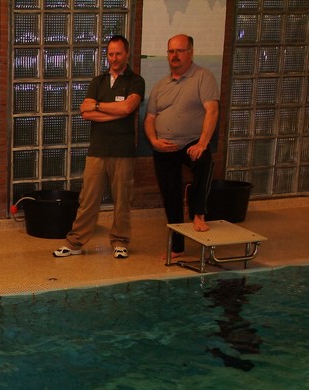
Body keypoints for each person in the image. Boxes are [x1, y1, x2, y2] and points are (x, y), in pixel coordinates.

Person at [53, 35, 145, 260]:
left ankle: (120, 241)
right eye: (110, 54)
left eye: (118, 54)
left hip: (123, 151)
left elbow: (127, 108)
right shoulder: (98, 81)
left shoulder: (136, 81)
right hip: (97, 150)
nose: (114, 58)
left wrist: (98, 107)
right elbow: (85, 113)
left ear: (127, 54)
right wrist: (115, 112)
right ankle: (75, 242)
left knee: (122, 200)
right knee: (88, 199)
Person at [143, 33, 219, 259]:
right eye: (171, 51)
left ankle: (199, 213)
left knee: (204, 160)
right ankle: (178, 246)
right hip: (164, 147)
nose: (174, 55)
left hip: (191, 142)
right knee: (171, 196)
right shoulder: (160, 85)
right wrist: (154, 141)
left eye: (179, 51)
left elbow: (212, 110)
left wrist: (202, 143)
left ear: (191, 53)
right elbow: (149, 119)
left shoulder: (203, 77)